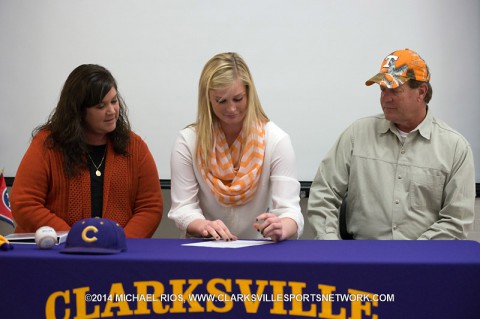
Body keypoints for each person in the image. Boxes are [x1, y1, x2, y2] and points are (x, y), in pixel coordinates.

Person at [307, 48, 475, 240]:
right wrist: (331, 245)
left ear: (421, 91)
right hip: (361, 257)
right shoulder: (357, 133)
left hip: (422, 262)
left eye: (395, 90)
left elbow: (456, 220)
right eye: (382, 90)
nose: (385, 98)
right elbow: (324, 192)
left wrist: (412, 258)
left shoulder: (455, 148)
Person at [10, 64, 163, 238]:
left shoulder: (135, 147)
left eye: (114, 101)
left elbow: (150, 207)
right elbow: (25, 203)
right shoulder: (47, 145)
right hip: (58, 253)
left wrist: (121, 242)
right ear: (78, 111)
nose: (112, 111)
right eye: (100, 106)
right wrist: (73, 237)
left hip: (119, 254)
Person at [168, 52, 304, 242]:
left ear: (249, 93)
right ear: (207, 99)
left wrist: (282, 226)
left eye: (238, 99)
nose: (231, 108)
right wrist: (203, 225)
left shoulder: (276, 140)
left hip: (259, 248)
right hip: (205, 247)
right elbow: (183, 208)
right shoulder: (188, 141)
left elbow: (290, 211)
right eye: (221, 101)